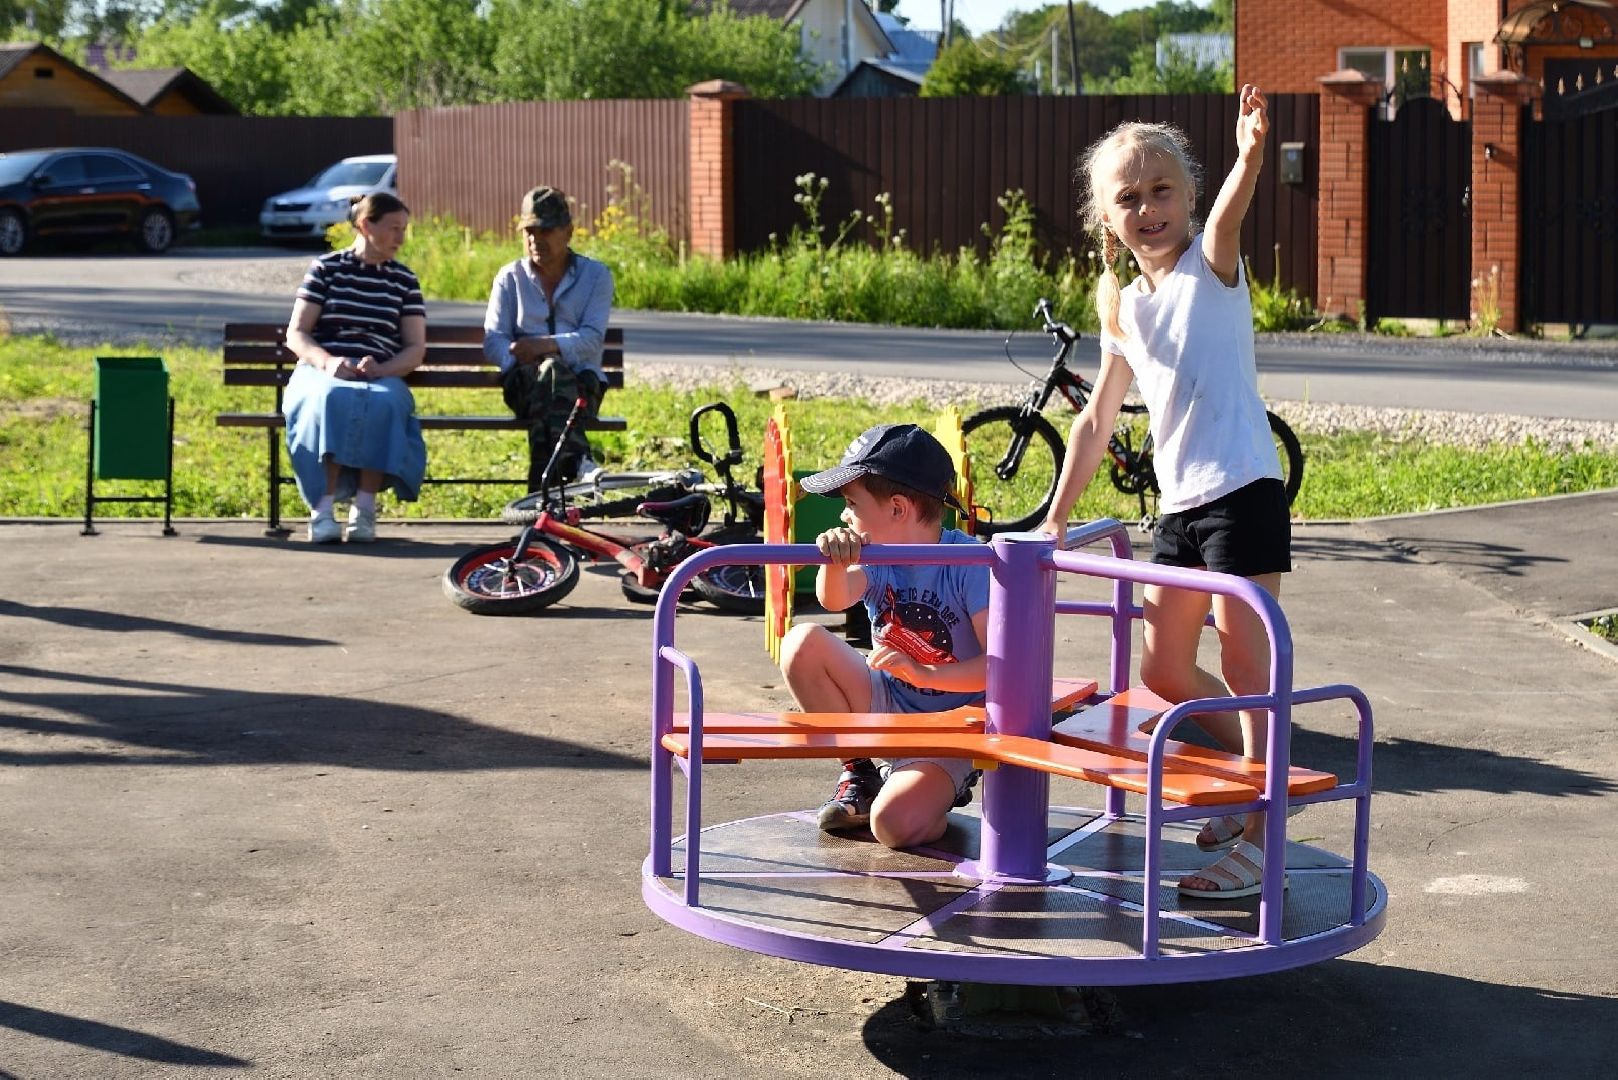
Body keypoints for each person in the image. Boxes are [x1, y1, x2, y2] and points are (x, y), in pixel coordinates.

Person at [1036, 86, 1288, 899]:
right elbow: (1095, 423)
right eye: (1129, 198)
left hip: (1242, 489)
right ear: (1106, 219)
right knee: (1166, 667)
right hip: (1179, 507)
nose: (1148, 209)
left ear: (1187, 195)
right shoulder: (1124, 308)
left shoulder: (1210, 269)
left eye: (1162, 190)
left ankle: (1261, 831)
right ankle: (1253, 770)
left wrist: (1250, 155)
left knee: (1247, 656)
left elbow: (1229, 218)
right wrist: (1055, 518)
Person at [778, 424, 989, 850]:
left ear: (897, 508)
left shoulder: (969, 562)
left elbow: (998, 668)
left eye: (852, 504)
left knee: (892, 827)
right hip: (887, 701)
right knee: (802, 643)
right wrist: (834, 562)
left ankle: (942, 785)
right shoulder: (875, 554)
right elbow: (832, 599)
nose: (843, 515)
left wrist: (923, 672)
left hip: (950, 726)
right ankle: (860, 770)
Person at [284, 192, 427, 544]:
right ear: (365, 226)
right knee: (331, 398)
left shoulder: (404, 281)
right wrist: (329, 362)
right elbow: (297, 333)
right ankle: (323, 509)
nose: (400, 238)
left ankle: (364, 509)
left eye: (404, 229)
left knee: (385, 403)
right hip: (323, 369)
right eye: (394, 228)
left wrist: (383, 369)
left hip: (379, 372)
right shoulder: (326, 269)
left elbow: (414, 347)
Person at [482, 186, 615, 490]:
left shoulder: (596, 276)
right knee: (547, 378)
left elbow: (592, 340)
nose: (535, 239)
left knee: (552, 384)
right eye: (528, 231)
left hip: (583, 383)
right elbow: (494, 341)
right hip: (523, 383)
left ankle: (538, 500)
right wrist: (518, 355)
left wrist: (545, 346)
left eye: (545, 230)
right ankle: (577, 459)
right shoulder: (509, 277)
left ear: (568, 232)